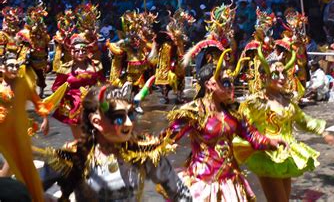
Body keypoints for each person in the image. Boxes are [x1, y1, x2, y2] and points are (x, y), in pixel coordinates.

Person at [160, 50, 283, 201]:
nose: (231, 86)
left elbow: (251, 135)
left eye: (231, 82)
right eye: (224, 82)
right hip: (203, 184)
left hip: (230, 183)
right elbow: (166, 138)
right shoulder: (194, 112)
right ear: (209, 85)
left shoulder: (233, 113)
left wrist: (270, 142)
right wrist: (139, 149)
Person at [38, 85, 192, 201]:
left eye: (130, 115)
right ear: (96, 121)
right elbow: (28, 190)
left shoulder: (143, 151)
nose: (129, 124)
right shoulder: (72, 157)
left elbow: (180, 193)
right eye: (119, 117)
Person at [235, 46, 334, 202]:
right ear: (265, 77)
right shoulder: (255, 102)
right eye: (277, 74)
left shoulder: (287, 101)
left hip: (286, 154)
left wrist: (323, 133)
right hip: (267, 155)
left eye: (284, 73)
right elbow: (241, 126)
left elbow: (303, 120)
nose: (282, 77)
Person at [0, 46, 66, 202]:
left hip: (18, 130)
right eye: (11, 65)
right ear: (2, 68)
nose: (14, 68)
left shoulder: (23, 85)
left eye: (17, 65)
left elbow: (39, 103)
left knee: (17, 160)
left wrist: (44, 119)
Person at [52, 34, 105, 139]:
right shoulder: (65, 69)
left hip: (93, 103)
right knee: (79, 139)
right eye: (77, 51)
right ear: (72, 52)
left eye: (83, 51)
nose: (81, 53)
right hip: (74, 106)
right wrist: (65, 91)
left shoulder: (96, 66)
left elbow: (103, 82)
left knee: (96, 134)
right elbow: (55, 87)